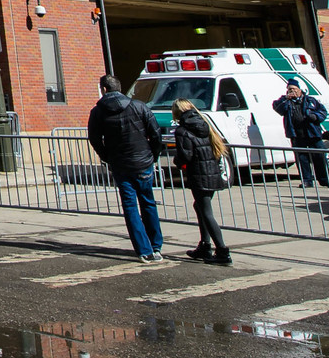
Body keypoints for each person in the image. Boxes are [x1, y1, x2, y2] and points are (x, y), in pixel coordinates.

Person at [87, 75, 166, 262]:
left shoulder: (98, 112)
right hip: (142, 161)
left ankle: (144, 249)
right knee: (148, 203)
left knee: (130, 206)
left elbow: (95, 139)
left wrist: (107, 157)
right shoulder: (139, 106)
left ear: (104, 89)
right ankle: (155, 246)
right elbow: (155, 134)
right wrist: (153, 156)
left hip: (121, 164)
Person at [170, 98, 231, 265]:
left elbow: (186, 155)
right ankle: (205, 245)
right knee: (200, 207)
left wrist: (177, 161)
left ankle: (222, 251)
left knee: (206, 212)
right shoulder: (204, 123)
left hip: (198, 173)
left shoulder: (183, 130)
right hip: (211, 171)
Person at [272, 78, 329, 186]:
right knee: (302, 159)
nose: (292, 91)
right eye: (290, 89)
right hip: (297, 134)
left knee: (319, 157)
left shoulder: (310, 100)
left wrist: (315, 117)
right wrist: (285, 98)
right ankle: (307, 181)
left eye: (294, 89)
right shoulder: (286, 102)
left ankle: (324, 180)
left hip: (312, 133)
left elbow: (323, 111)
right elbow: (277, 108)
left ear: (300, 90)